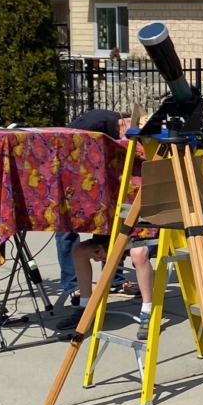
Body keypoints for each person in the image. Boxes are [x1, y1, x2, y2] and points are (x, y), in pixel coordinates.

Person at [55, 107, 138, 296]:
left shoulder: (115, 127)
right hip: (70, 173)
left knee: (110, 222)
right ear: (124, 123)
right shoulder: (95, 123)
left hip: (96, 175)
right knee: (66, 228)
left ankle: (114, 280)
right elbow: (68, 150)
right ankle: (73, 286)